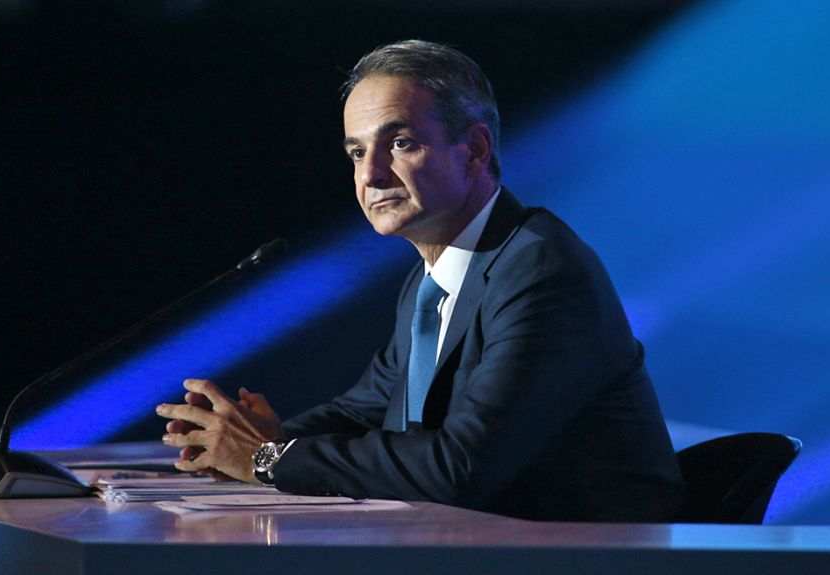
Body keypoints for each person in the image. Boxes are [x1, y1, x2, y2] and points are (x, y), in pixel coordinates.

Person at [156, 40, 685, 522]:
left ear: (474, 149)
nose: (370, 175)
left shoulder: (542, 271)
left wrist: (268, 458)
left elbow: (461, 465)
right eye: (357, 152)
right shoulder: (431, 279)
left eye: (401, 143)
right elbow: (363, 413)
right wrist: (238, 441)